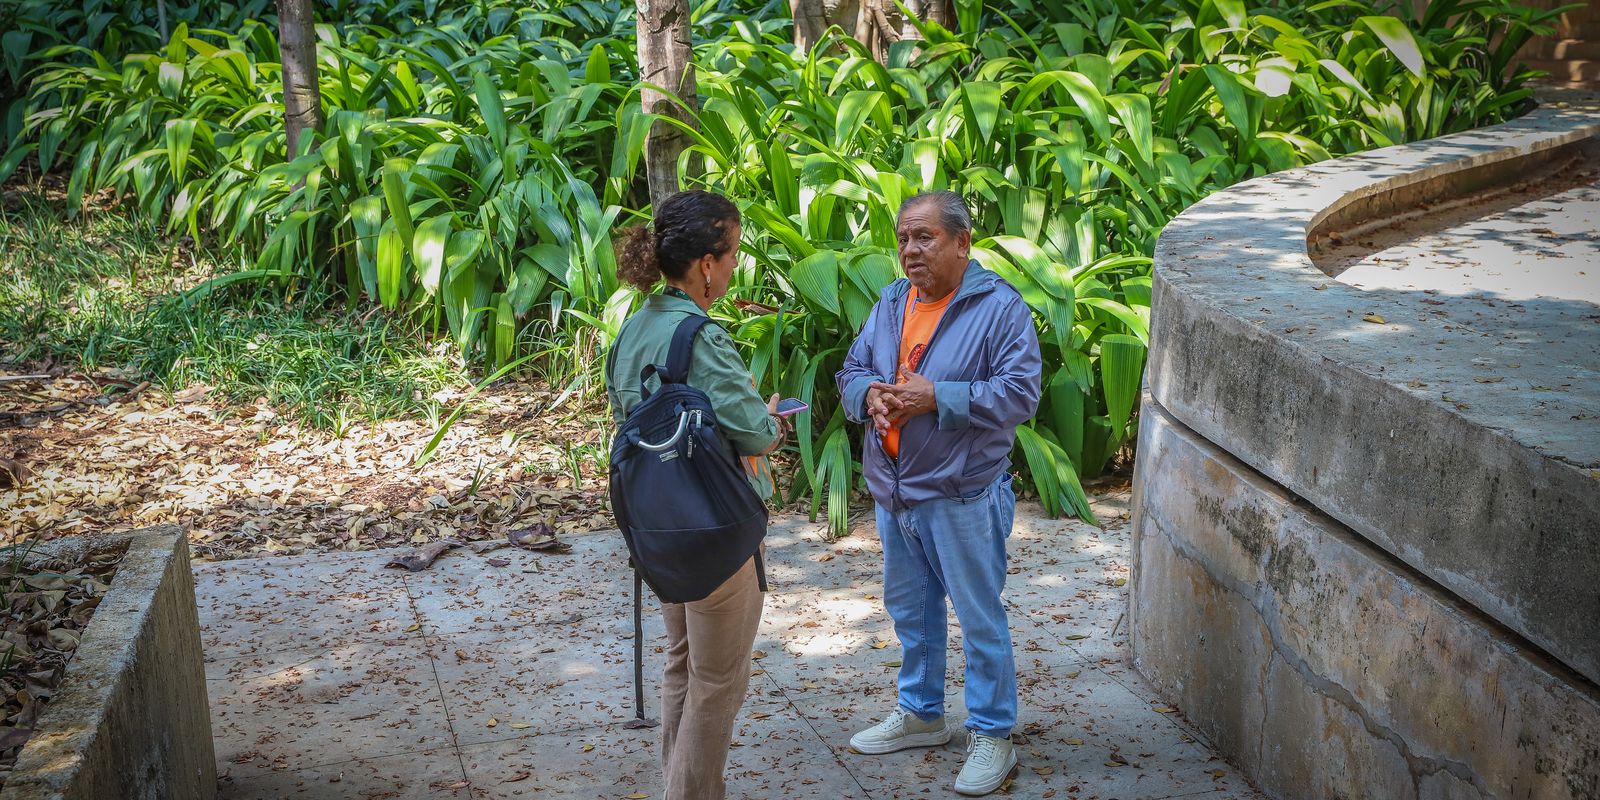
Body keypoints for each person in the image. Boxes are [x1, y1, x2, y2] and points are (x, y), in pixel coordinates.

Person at [834, 191, 1041, 796]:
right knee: (912, 613)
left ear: (961, 241)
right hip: (895, 490)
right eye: (902, 238)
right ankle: (923, 714)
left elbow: (1021, 394)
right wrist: (869, 393)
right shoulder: (893, 300)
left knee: (978, 618)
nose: (910, 250)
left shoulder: (998, 307)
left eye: (924, 237)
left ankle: (992, 733)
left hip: (961, 492)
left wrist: (939, 397)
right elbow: (850, 371)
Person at [606, 190, 788, 800]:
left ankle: (675, 784)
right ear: (706, 263)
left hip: (658, 530)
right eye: (732, 253)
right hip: (715, 534)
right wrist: (770, 419)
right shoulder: (699, 337)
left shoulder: (634, 327)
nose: (734, 266)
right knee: (718, 680)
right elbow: (756, 432)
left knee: (682, 664)